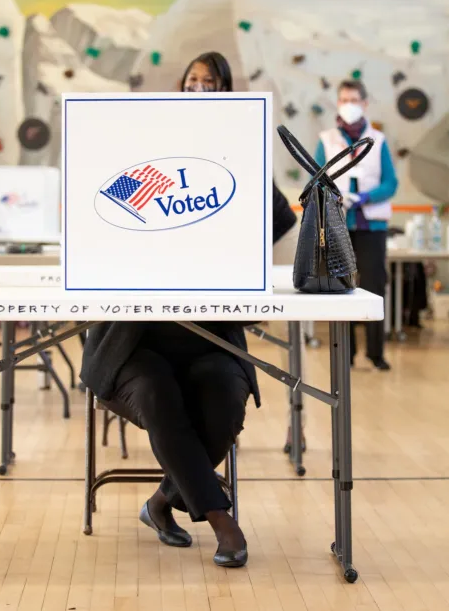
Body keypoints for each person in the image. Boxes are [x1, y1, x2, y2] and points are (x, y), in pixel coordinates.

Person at [81, 52, 296, 570]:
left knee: (224, 398)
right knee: (158, 393)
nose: (200, 90)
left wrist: (234, 245)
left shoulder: (236, 164)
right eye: (192, 81)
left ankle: (161, 503)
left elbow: (282, 219)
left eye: (212, 84)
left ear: (226, 95)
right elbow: (100, 213)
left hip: (210, 334)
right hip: (134, 341)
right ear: (178, 90)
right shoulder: (140, 154)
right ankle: (222, 520)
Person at [314, 79, 397, 371]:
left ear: (364, 103)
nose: (348, 105)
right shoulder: (326, 139)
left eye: (353, 100)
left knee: (374, 288)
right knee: (342, 288)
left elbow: (390, 182)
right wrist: (335, 196)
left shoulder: (379, 139)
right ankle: (345, 353)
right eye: (343, 100)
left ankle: (376, 353)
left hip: (370, 227)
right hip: (338, 225)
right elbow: (316, 179)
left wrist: (364, 197)